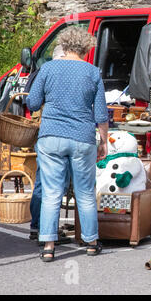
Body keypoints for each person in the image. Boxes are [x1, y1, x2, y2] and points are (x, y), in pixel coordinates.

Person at [27, 26, 109, 262]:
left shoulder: (48, 68)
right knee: (85, 192)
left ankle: (48, 246)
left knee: (52, 192)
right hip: (82, 138)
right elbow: (101, 115)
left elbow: (32, 103)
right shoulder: (92, 72)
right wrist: (104, 142)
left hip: (51, 137)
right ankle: (92, 242)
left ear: (63, 45)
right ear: (85, 49)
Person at [28, 45, 69, 242]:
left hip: (46, 134)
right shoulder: (67, 73)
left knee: (43, 181)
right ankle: (48, 232)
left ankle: (38, 227)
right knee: (58, 185)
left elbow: (32, 102)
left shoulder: (44, 72)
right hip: (67, 134)